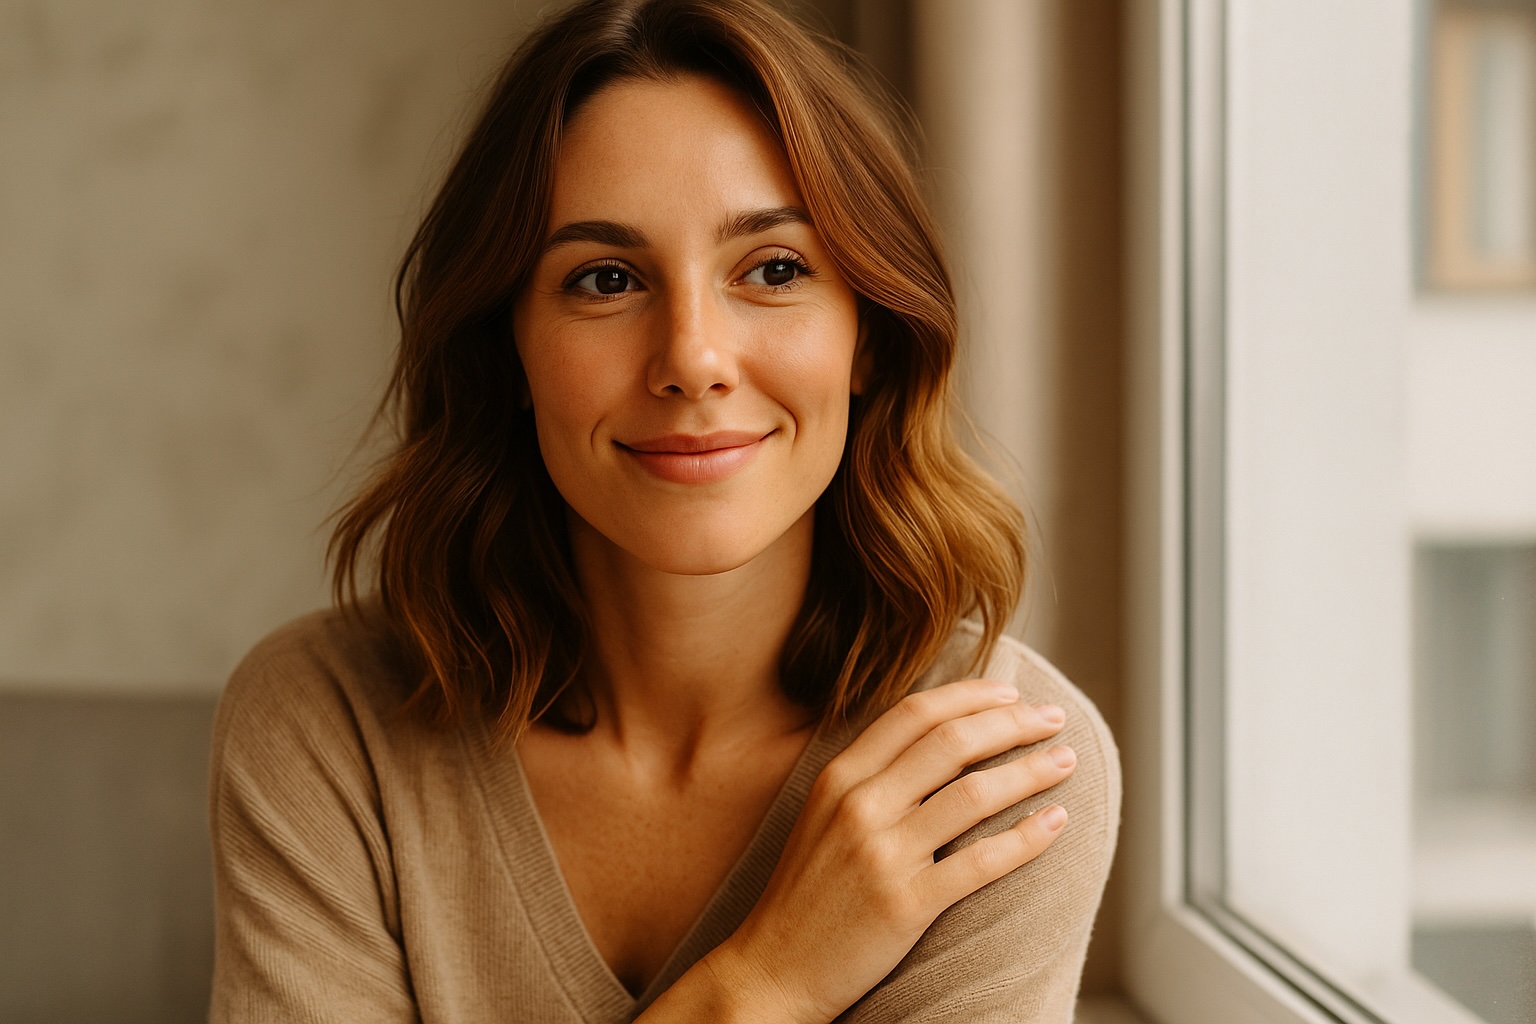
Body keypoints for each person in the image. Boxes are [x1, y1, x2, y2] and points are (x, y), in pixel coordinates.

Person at [206, 0, 1119, 1020]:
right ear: (507, 350)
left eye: (774, 269)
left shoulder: (1001, 778)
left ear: (869, 334)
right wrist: (766, 980)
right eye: (606, 279)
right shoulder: (327, 723)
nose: (692, 358)